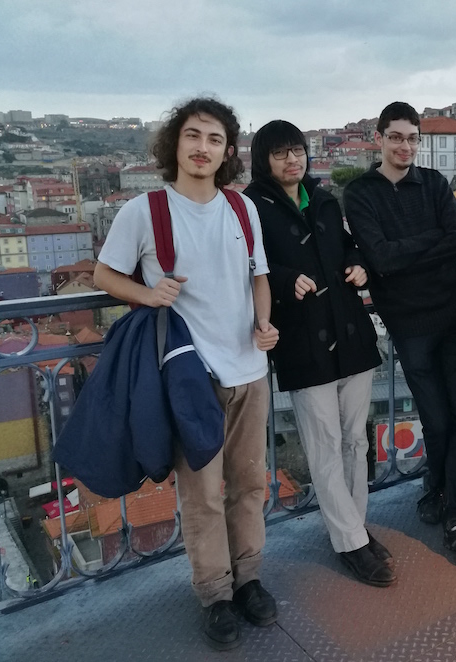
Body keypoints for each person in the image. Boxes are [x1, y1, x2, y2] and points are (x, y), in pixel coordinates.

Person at [93, 97, 280, 650]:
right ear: (175, 142)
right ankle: (215, 595)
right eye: (193, 135)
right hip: (190, 377)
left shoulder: (242, 209)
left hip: (249, 370)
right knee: (201, 495)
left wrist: (264, 324)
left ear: (228, 151)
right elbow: (105, 273)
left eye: (215, 139)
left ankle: (248, 581)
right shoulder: (145, 211)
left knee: (249, 485)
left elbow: (258, 278)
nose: (203, 148)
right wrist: (148, 294)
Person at [244, 120, 392, 588]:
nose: (294, 160)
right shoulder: (252, 208)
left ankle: (355, 528)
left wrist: (358, 265)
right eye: (282, 153)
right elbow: (250, 266)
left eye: (299, 151)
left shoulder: (324, 199)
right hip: (303, 341)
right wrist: (287, 280)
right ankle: (350, 542)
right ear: (263, 160)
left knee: (355, 441)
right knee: (325, 446)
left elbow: (349, 245)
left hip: (350, 337)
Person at [343, 102, 456, 574]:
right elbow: (380, 258)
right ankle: (437, 488)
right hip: (409, 323)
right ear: (379, 138)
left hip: (451, 315)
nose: (405, 146)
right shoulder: (361, 193)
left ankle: (455, 513)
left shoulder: (433, 183)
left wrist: (400, 254)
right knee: (437, 419)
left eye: (412, 138)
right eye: (396, 137)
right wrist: (424, 244)